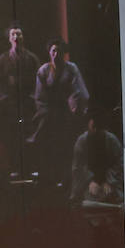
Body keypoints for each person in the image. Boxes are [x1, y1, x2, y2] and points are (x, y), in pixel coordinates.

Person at [30, 39, 90, 188]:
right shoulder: (43, 70)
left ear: (64, 53)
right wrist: (46, 112)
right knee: (45, 141)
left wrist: (74, 108)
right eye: (53, 51)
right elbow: (39, 96)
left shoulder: (71, 68)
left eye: (59, 51)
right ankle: (47, 175)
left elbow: (79, 91)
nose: (56, 54)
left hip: (67, 113)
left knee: (68, 144)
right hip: (49, 112)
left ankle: (67, 177)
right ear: (49, 53)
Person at [0, 24, 40, 177]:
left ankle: (31, 167)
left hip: (28, 104)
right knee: (12, 137)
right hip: (10, 106)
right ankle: (15, 168)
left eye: (18, 34)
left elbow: (39, 82)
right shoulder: (3, 59)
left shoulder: (32, 58)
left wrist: (34, 98)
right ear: (9, 39)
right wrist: (4, 99)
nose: (16, 38)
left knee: (29, 135)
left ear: (23, 37)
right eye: (13, 35)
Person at [71, 106, 124, 205]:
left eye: (97, 128)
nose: (95, 130)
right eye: (93, 127)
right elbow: (78, 167)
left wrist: (109, 181)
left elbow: (120, 163)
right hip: (88, 183)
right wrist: (90, 181)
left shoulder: (111, 140)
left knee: (114, 199)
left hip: (110, 181)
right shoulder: (81, 141)